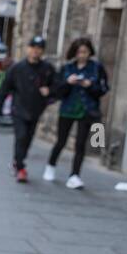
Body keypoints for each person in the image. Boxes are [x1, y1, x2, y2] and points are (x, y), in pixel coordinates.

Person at [43, 37, 109, 189]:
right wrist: (68, 82)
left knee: (80, 144)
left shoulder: (96, 68)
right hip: (68, 109)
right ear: (75, 52)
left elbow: (103, 89)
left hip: (87, 110)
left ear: (90, 52)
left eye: (85, 52)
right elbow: (57, 91)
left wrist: (89, 85)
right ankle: (51, 166)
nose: (82, 55)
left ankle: (75, 175)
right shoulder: (67, 68)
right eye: (79, 52)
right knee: (61, 141)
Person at [1, 35, 56, 183]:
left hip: (36, 110)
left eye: (39, 49)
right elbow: (5, 87)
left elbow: (57, 86)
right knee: (21, 136)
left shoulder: (47, 69)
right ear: (28, 49)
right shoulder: (17, 68)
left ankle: (17, 160)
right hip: (19, 109)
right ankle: (21, 168)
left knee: (28, 139)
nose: (36, 51)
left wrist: (49, 91)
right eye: (33, 48)